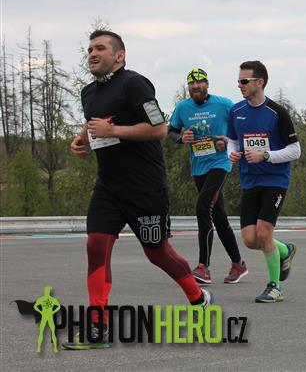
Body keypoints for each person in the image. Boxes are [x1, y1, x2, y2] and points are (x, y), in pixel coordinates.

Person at [64, 30, 212, 350]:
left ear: (119, 55)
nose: (92, 54)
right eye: (89, 49)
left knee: (157, 253)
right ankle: (98, 326)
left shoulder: (135, 84)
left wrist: (113, 130)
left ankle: (197, 297)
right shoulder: (89, 91)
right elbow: (95, 122)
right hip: (108, 188)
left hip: (145, 188)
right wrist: (82, 139)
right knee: (95, 246)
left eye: (100, 48)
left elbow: (159, 129)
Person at [225, 61, 299, 303]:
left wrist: (265, 155)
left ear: (260, 82)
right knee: (250, 239)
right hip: (249, 180)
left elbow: (295, 150)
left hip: (275, 179)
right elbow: (232, 141)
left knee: (264, 232)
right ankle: (284, 250)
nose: (240, 85)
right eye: (238, 81)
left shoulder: (277, 113)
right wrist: (231, 153)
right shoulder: (236, 111)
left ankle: (275, 287)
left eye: (244, 81)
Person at [168, 67, 248, 283]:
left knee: (203, 206)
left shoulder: (224, 104)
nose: (195, 86)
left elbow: (242, 126)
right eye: (191, 83)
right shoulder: (183, 107)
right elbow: (171, 131)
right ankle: (238, 264)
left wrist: (228, 142)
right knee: (218, 216)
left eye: (200, 82)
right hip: (199, 166)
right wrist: (181, 138)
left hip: (220, 163)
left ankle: (203, 267)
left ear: (207, 84)